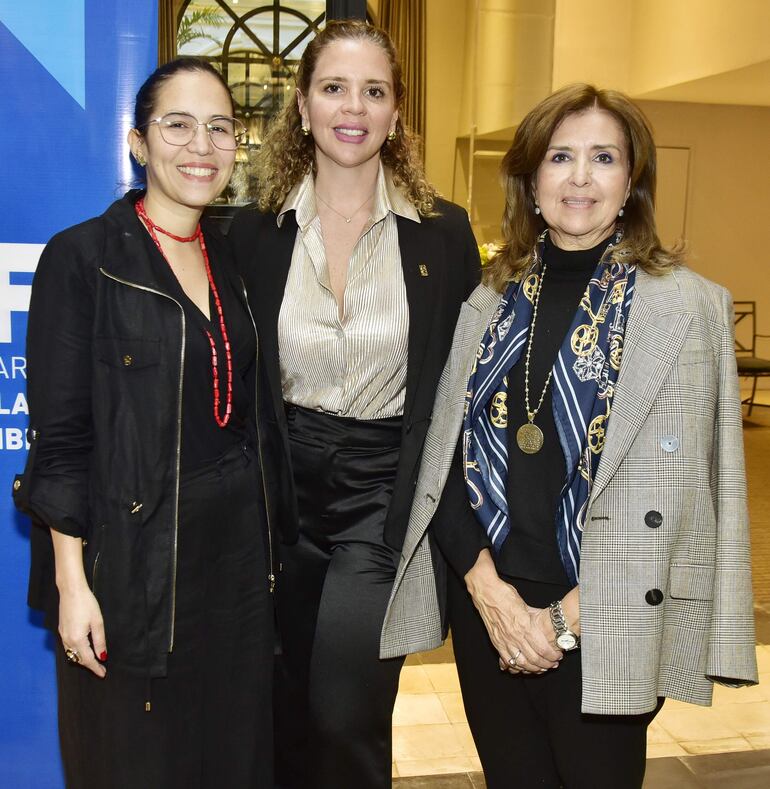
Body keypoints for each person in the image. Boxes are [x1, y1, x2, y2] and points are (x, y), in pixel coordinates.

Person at [381, 83, 758, 789]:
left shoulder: (685, 306)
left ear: (632, 182)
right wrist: (491, 595)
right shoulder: (489, 295)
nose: (580, 177)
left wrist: (557, 622)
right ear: (530, 180)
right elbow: (445, 459)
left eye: (603, 157)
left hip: (608, 612)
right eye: (560, 156)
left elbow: (687, 498)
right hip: (489, 607)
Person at [229, 20, 479, 789]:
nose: (353, 106)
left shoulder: (444, 233)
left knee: (347, 709)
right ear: (301, 107)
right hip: (281, 495)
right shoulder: (252, 234)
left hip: (382, 491)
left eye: (374, 91)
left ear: (397, 113)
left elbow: (463, 385)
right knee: (287, 703)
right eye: (333, 87)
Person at [14, 58, 274, 788]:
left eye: (219, 127)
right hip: (131, 569)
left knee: (230, 763)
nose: (202, 145)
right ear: (137, 142)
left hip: (235, 574)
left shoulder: (231, 255)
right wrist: (73, 585)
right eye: (178, 125)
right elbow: (61, 443)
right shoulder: (83, 258)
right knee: (133, 763)